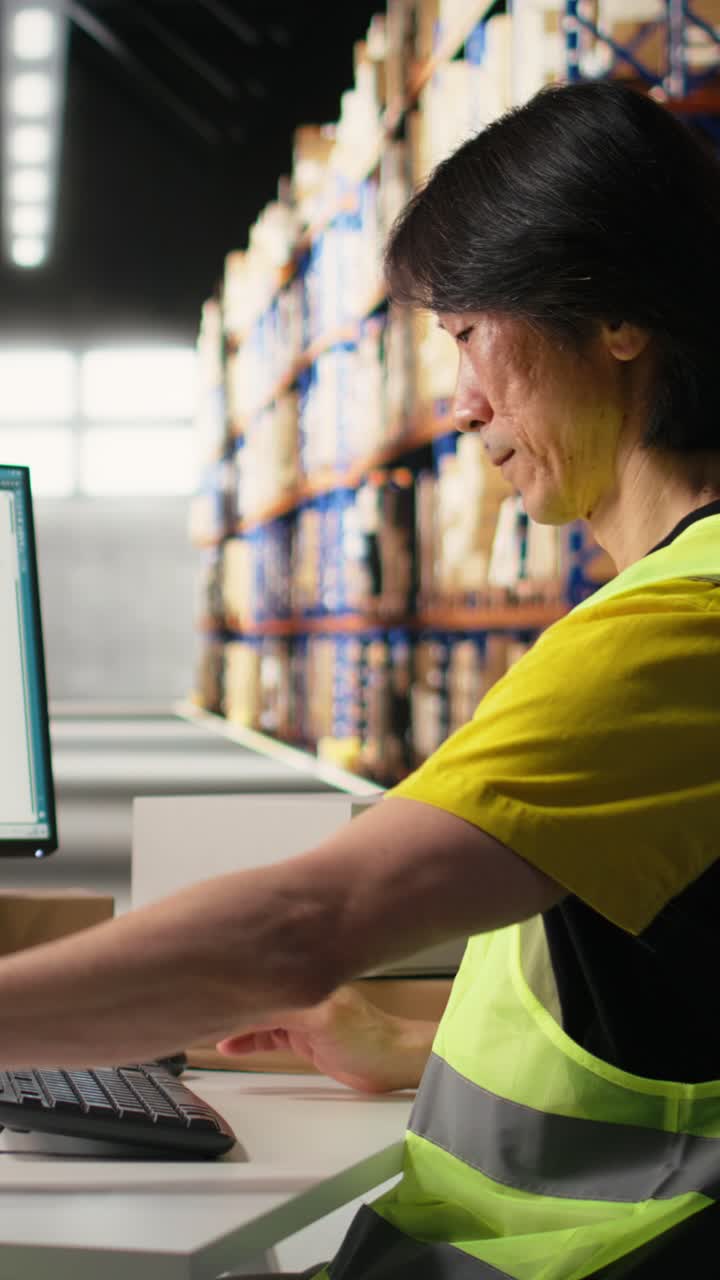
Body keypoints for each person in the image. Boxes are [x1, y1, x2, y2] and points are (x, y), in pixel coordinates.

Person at [1, 77, 720, 1278]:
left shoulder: (679, 627)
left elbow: (299, 925)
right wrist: (397, 1030)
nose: (461, 403)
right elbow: (657, 998)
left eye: (469, 335)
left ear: (614, 318)